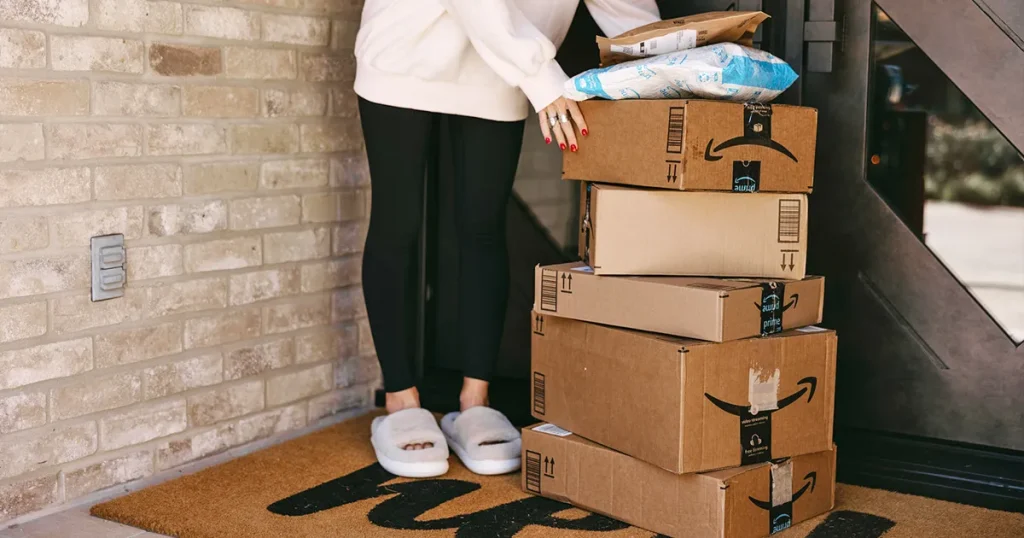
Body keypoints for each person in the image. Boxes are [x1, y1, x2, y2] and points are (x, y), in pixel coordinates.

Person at [354, 0, 661, 478]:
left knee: (482, 227)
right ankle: (401, 401)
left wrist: (673, 69)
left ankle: (475, 401)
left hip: (501, 68)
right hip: (407, 47)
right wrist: (542, 77)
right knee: (398, 223)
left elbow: (628, 12)